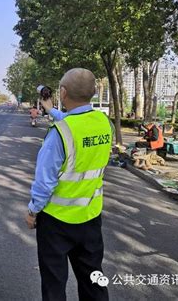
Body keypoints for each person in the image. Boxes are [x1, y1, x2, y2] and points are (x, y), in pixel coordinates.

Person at [25, 68, 112, 301]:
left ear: (63, 92)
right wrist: (51, 109)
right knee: (93, 280)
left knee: (54, 286)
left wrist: (33, 211)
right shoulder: (104, 123)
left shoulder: (58, 134)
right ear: (93, 92)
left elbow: (44, 182)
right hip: (91, 217)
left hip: (56, 223)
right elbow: (77, 125)